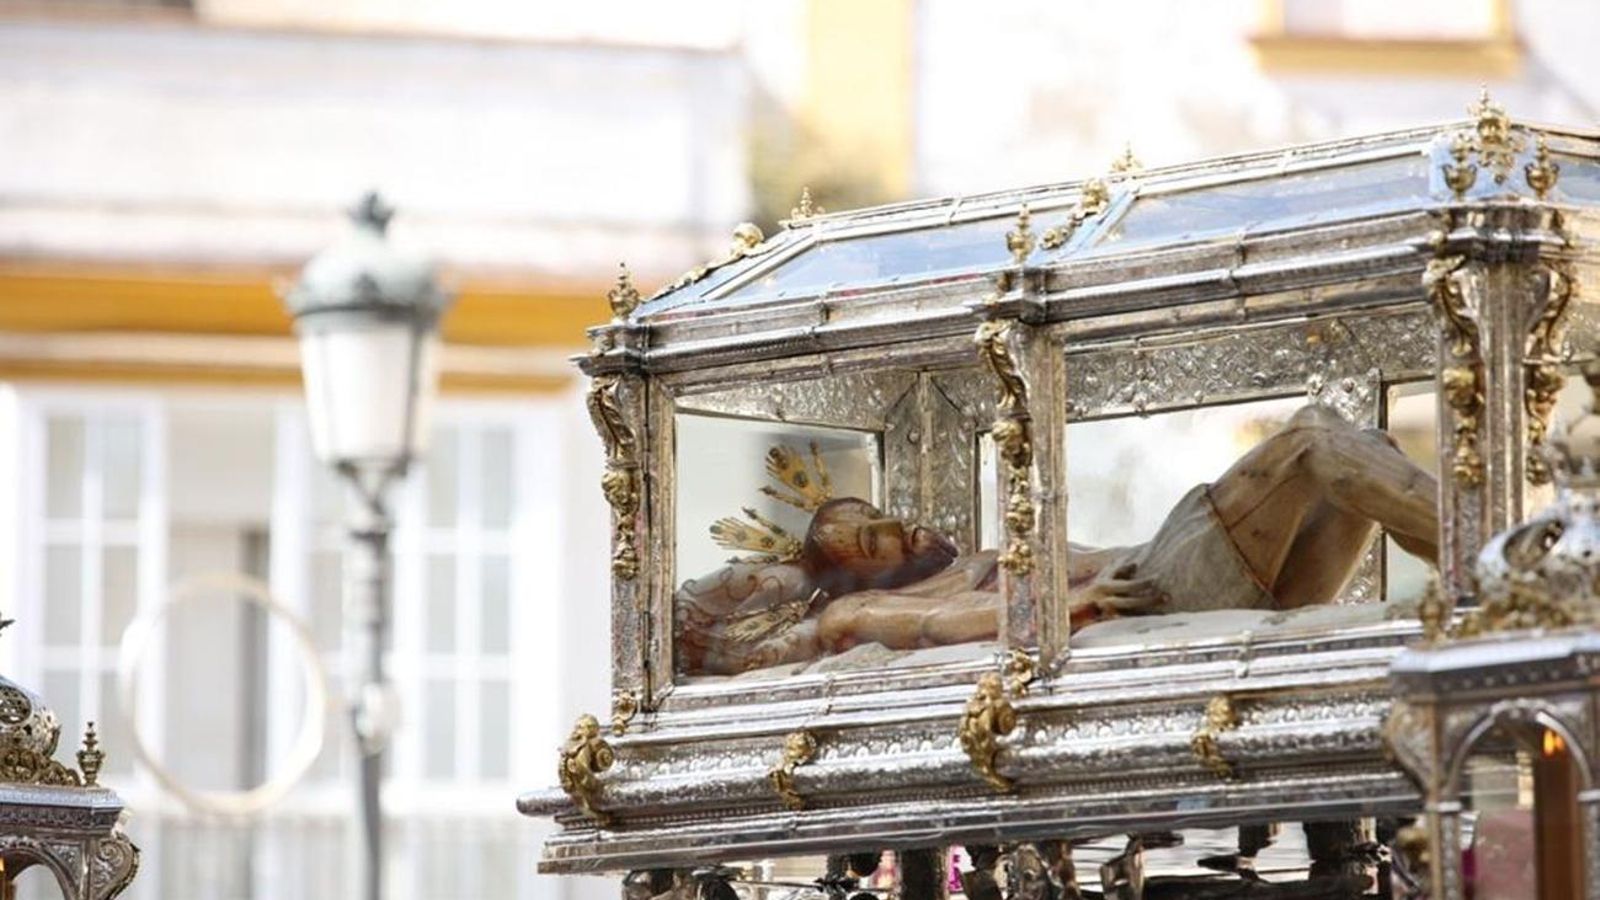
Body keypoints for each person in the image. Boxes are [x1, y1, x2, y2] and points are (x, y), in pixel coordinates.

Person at [674, 405, 1438, 677]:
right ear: (858, 574)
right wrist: (1082, 604)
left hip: (1167, 575)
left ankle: (1475, 572)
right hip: (1154, 594)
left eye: (883, 514)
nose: (902, 528)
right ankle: (1489, 561)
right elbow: (941, 626)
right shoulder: (856, 613)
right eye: (878, 540)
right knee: (1310, 439)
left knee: (1361, 443)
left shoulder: (973, 560)